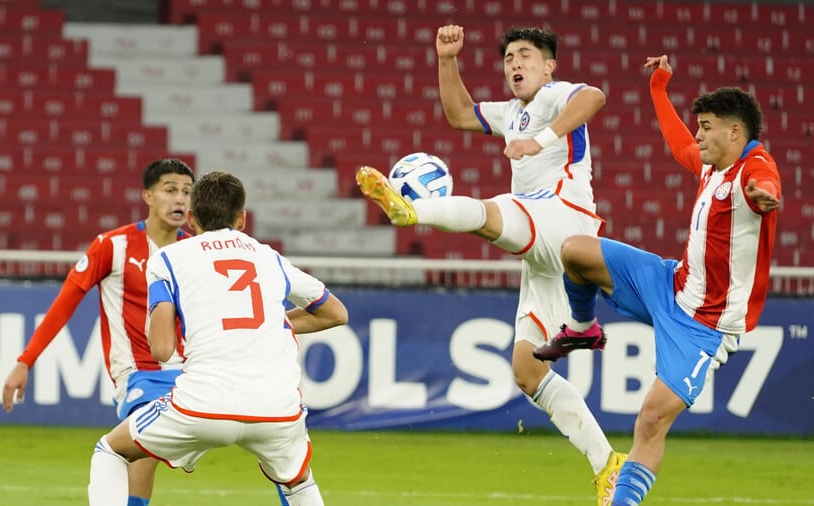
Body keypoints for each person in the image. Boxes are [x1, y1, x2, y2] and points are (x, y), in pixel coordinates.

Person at [356, 25, 625, 505]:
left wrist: (540, 141)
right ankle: (609, 466)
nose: (515, 64)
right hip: (544, 251)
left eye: (526, 56)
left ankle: (412, 210)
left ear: (549, 66)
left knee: (491, 214)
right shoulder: (512, 112)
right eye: (508, 59)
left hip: (566, 219)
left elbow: (595, 97)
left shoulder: (553, 97)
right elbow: (460, 113)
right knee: (526, 370)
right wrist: (446, 59)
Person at [533, 55, 781, 505]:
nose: (699, 135)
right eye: (699, 126)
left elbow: (764, 188)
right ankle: (584, 328)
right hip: (671, 284)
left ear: (735, 133)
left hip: (704, 326)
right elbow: (677, 143)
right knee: (575, 250)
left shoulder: (754, 167)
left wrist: (765, 198)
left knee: (649, 420)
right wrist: (658, 88)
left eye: (707, 127)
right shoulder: (711, 164)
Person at [87, 170, 349, 506]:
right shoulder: (268, 257)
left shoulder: (168, 258)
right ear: (242, 218)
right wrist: (268, 325)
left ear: (192, 219)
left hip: (202, 403)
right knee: (298, 482)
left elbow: (163, 350)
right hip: (277, 409)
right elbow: (336, 314)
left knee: (111, 450)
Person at [1, 158, 195, 506]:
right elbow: (65, 303)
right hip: (138, 374)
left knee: (269, 431)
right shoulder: (112, 246)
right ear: (148, 196)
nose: (180, 199)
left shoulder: (195, 251)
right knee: (143, 436)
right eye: (170, 190)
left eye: (186, 192)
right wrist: (25, 360)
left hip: (193, 372)